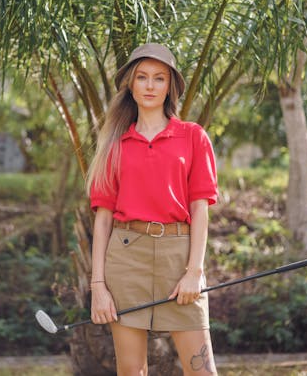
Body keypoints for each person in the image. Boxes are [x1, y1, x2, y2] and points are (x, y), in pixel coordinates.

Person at [86, 43, 219, 375]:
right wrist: (97, 286)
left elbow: (200, 209)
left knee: (202, 370)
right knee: (132, 372)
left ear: (170, 86)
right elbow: (103, 221)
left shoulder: (193, 137)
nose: (149, 85)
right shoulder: (115, 144)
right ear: (131, 84)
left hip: (179, 256)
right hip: (126, 259)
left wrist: (194, 271)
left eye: (159, 78)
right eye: (142, 77)